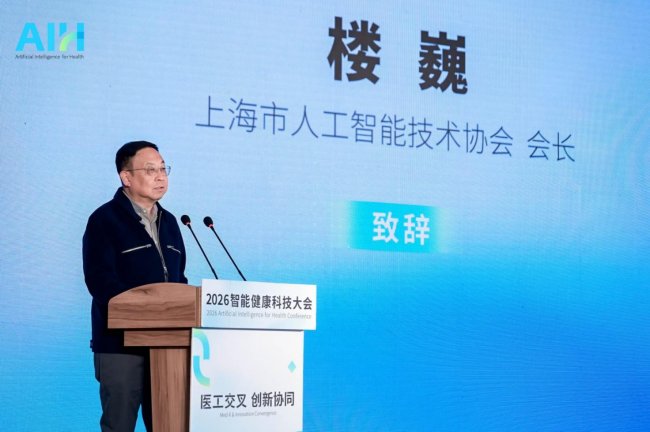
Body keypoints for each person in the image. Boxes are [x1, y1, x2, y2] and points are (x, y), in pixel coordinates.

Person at [83, 141, 188, 431]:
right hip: (120, 344)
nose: (160, 176)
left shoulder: (171, 223)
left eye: (163, 169)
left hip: (167, 344)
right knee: (119, 425)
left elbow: (178, 279)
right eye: (150, 170)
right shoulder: (104, 220)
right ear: (126, 177)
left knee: (169, 423)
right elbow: (100, 280)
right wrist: (142, 310)